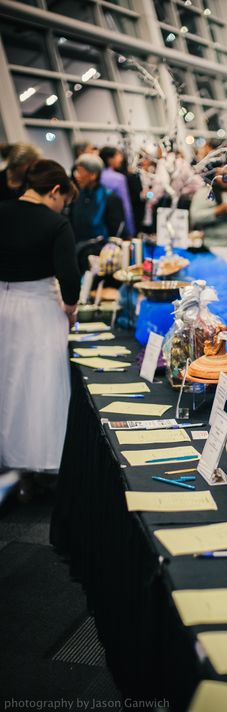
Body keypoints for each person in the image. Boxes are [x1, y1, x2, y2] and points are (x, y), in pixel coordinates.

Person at [0, 159, 81, 501]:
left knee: (6, 385)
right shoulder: (56, 224)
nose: (63, 207)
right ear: (55, 191)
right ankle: (38, 464)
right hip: (38, 310)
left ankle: (7, 462)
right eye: (64, 200)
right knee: (38, 389)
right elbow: (70, 279)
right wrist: (71, 309)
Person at [70, 153, 124, 272]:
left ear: (93, 175)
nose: (77, 176)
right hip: (78, 253)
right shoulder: (77, 196)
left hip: (99, 256)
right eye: (76, 172)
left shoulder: (109, 197)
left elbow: (116, 231)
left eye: (80, 172)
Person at [100, 146, 135, 237]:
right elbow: (125, 206)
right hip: (114, 224)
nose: (121, 158)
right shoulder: (118, 178)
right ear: (109, 159)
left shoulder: (96, 175)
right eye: (117, 156)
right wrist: (131, 231)